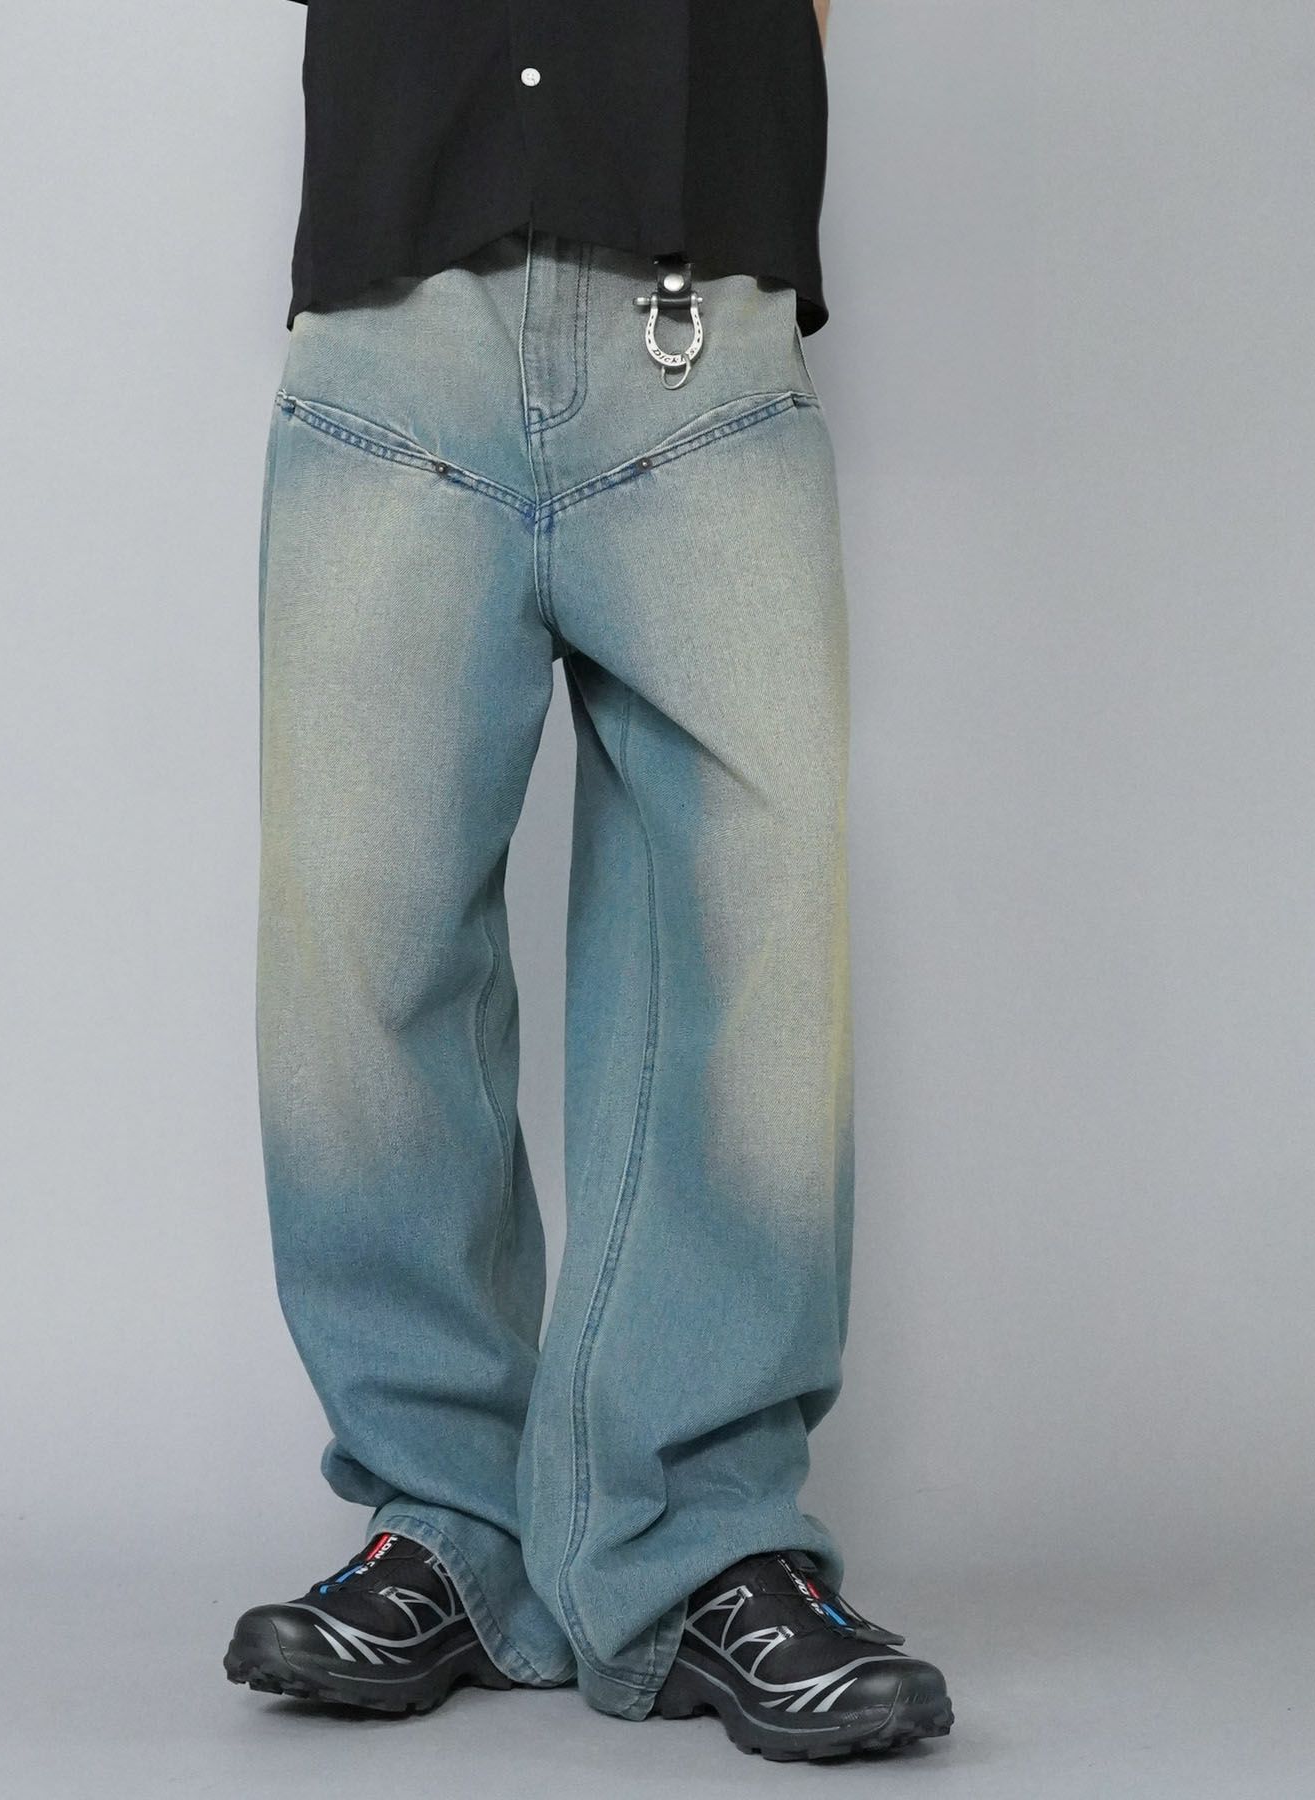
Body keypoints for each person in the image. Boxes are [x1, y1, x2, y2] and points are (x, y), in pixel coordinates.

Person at [224, 0, 954, 1763]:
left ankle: (702, 1544)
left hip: (702, 316)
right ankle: (445, 1525)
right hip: (397, 325)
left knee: (754, 962)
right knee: (356, 950)